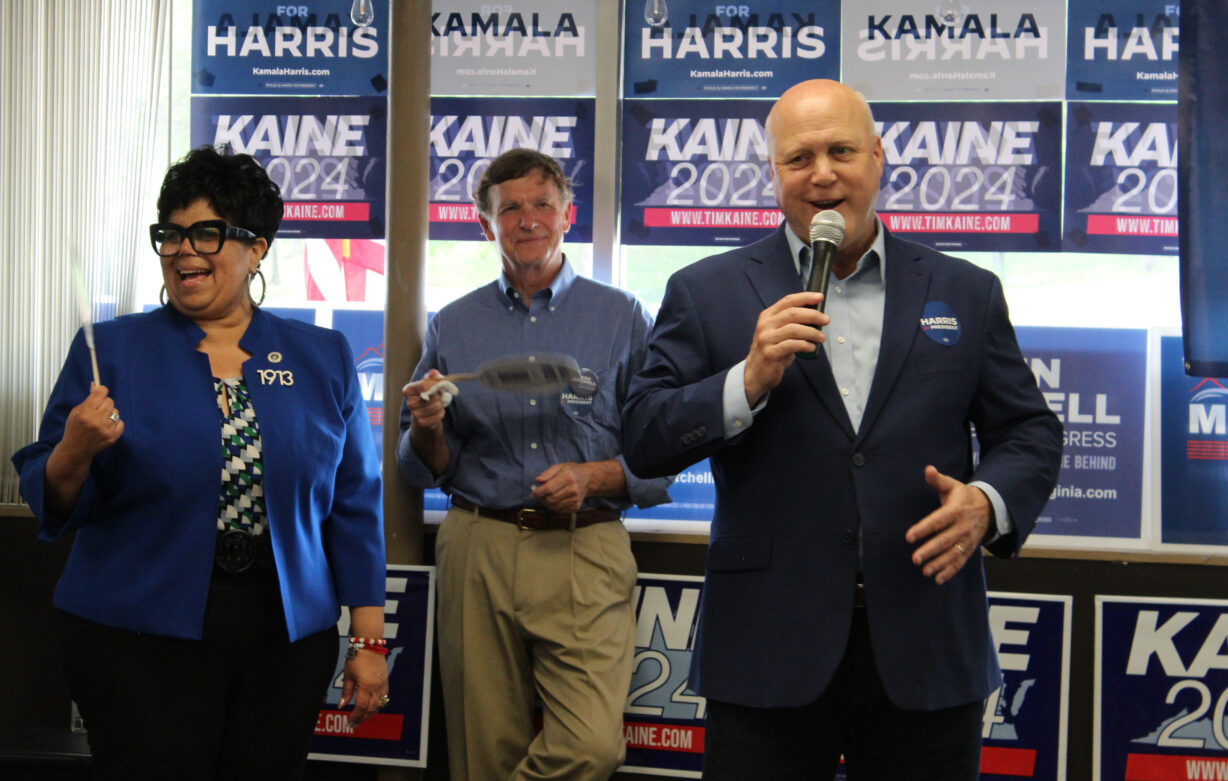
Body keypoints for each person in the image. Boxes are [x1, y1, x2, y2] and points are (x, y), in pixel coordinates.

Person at [620, 79, 1064, 779]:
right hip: (767, 647)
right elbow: (643, 434)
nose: (822, 173)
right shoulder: (706, 291)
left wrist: (987, 501)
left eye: (841, 151)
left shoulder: (964, 290)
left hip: (925, 642)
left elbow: (1030, 432)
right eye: (798, 158)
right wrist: (747, 379)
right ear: (773, 174)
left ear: (879, 159)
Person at [11, 146, 389, 779]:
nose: (184, 250)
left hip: (284, 640)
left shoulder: (321, 356)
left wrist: (369, 642)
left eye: (207, 233)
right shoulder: (111, 350)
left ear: (257, 247)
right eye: (172, 234)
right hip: (133, 636)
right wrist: (73, 450)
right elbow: (49, 495)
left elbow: (355, 507)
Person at [397, 148, 672, 780]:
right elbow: (421, 469)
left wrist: (595, 478)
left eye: (542, 204)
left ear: (567, 215)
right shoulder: (454, 324)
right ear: (484, 224)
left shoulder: (622, 316)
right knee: (483, 754)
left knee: (590, 746)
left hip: (585, 548)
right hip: (478, 548)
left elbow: (662, 449)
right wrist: (428, 427)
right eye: (510, 208)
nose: (528, 220)